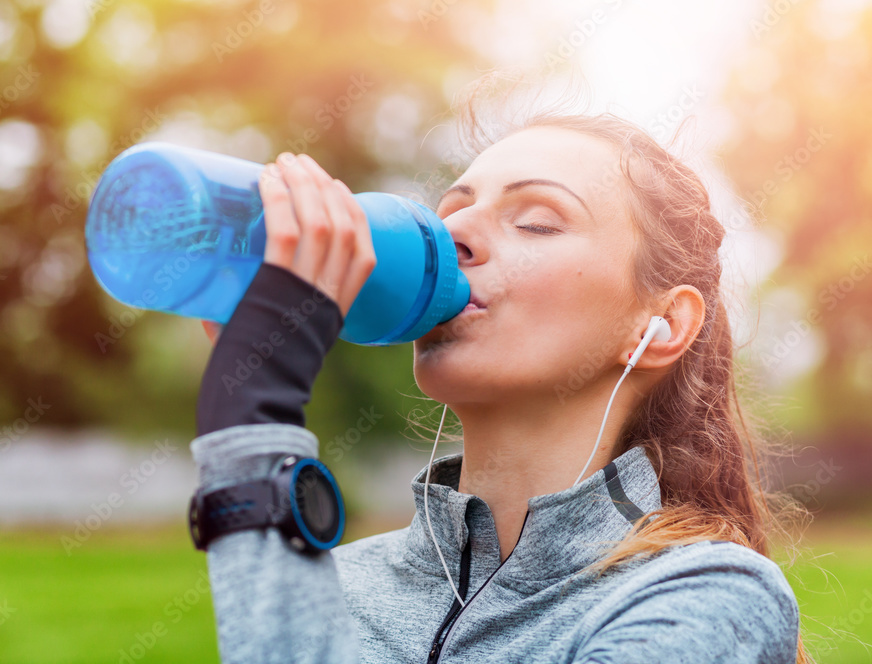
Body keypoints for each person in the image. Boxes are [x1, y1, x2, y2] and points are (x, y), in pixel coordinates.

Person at [188, 78, 805, 663]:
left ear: (659, 326)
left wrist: (253, 422)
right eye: (449, 213)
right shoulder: (332, 589)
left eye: (536, 220)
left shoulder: (706, 596)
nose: (452, 232)